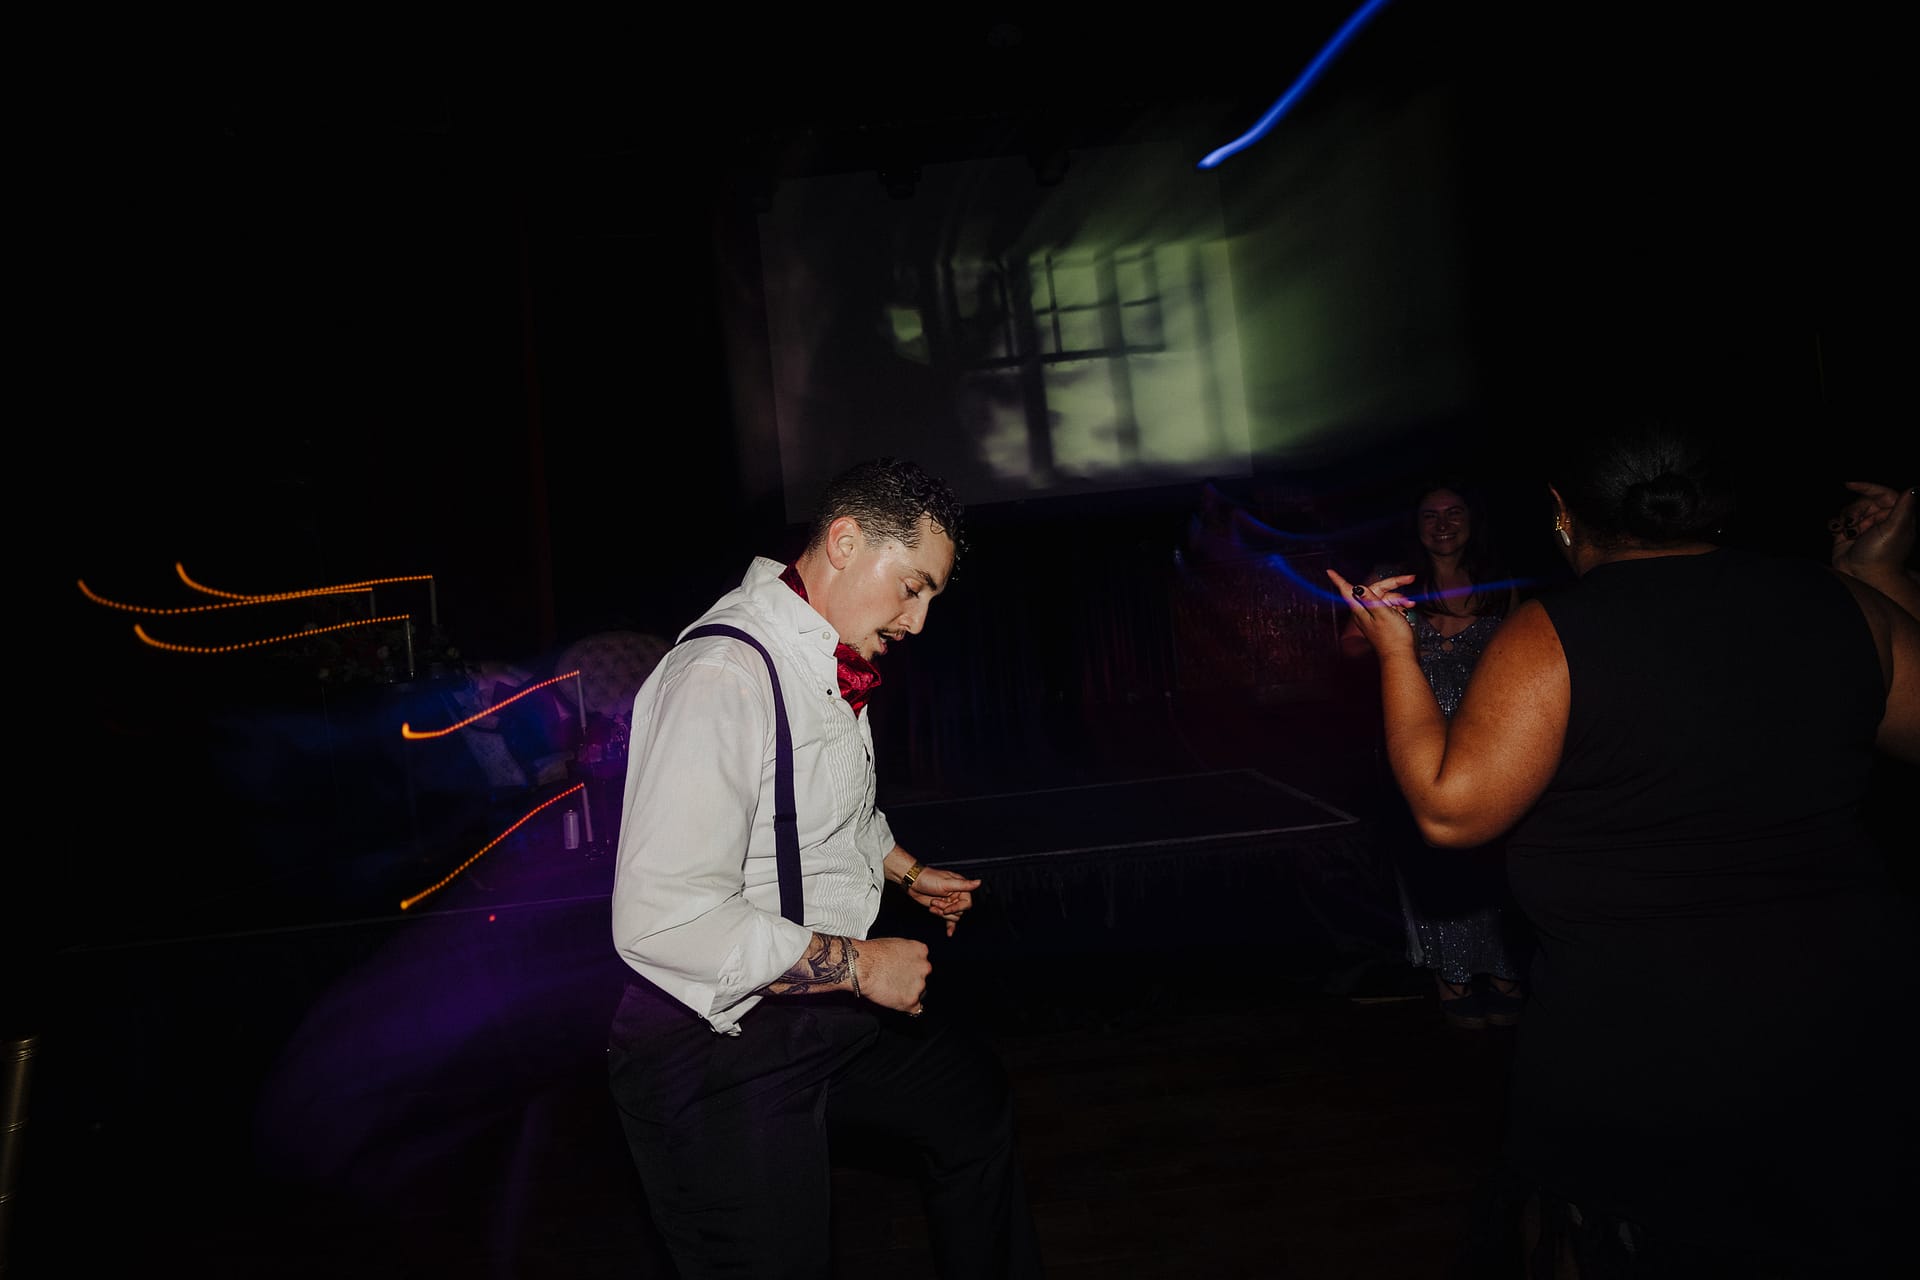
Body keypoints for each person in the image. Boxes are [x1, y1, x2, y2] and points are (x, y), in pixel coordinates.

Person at [1330, 422, 1917, 1276]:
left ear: (1563, 514)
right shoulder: (1848, 604)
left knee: (1619, 1231)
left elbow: (1453, 814)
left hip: (1644, 1028)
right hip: (1846, 1011)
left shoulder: (1550, 631)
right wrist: (1881, 574)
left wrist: (1394, 652)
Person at [605, 457, 1044, 1279]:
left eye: (931, 597)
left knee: (971, 1102)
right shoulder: (723, 675)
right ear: (844, 543)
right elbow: (667, 921)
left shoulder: (822, 654)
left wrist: (905, 872)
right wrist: (863, 966)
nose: (919, 620)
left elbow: (825, 808)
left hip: (815, 1012)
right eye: (912, 587)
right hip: (715, 1049)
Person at [1339, 478, 1529, 1029]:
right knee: (1430, 856)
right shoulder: (1391, 579)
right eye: (1430, 514)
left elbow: (1525, 656)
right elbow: (1349, 647)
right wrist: (1381, 635)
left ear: (1472, 519)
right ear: (1415, 525)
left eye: (1454, 512)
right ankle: (1452, 973)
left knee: (1493, 852)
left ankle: (1504, 968)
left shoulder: (1500, 581)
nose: (1442, 524)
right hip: (1415, 737)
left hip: (1488, 737)